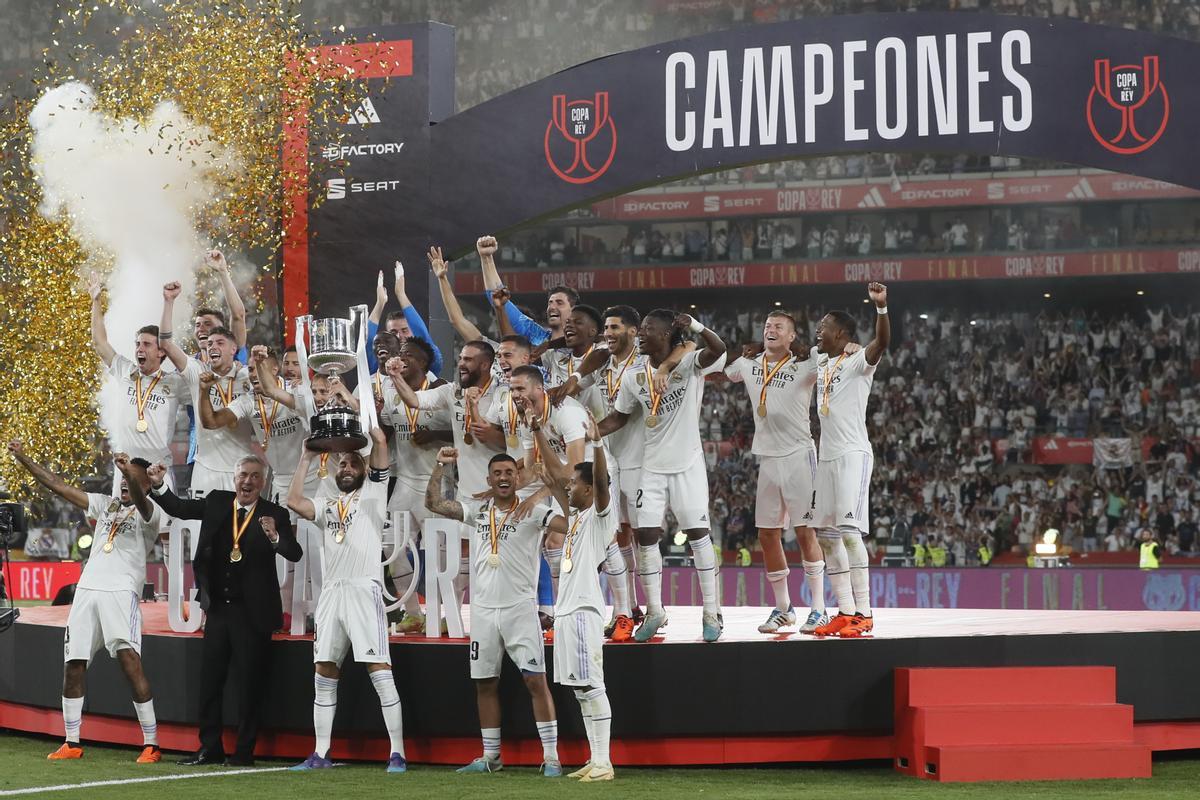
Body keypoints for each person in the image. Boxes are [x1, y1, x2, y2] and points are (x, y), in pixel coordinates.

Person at [8, 443, 163, 763]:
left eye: (132, 478)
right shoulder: (104, 505)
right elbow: (59, 485)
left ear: (147, 483)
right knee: (73, 664)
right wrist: (24, 458)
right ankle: (72, 741)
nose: (124, 481)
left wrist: (129, 474)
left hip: (121, 592)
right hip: (87, 590)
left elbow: (137, 495)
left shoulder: (151, 512)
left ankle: (151, 743)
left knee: (129, 661)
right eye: (121, 477)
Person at [141, 455, 300, 765]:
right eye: (243, 475)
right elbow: (180, 509)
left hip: (253, 615)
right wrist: (158, 485)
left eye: (255, 476)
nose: (248, 481)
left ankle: (244, 752)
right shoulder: (217, 502)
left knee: (250, 686)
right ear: (234, 478)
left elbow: (294, 552)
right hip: (218, 611)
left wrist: (275, 536)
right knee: (210, 683)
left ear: (263, 482)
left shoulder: (274, 513)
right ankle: (210, 748)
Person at [425, 450, 562, 777]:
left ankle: (552, 757)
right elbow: (433, 503)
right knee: (484, 683)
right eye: (497, 473)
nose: (502, 478)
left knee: (535, 681)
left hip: (519, 610)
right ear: (489, 480)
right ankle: (491, 757)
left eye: (508, 473)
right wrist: (440, 465)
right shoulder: (477, 510)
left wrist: (543, 489)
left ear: (517, 478)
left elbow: (567, 521)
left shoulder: (534, 512)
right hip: (484, 610)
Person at [597, 310, 728, 642]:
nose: (640, 334)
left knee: (698, 535)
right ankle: (655, 611)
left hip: (687, 464)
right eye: (639, 329)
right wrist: (588, 432)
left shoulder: (688, 364)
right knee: (646, 538)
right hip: (651, 467)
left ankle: (711, 612)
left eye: (647, 330)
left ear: (667, 334)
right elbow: (619, 418)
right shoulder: (634, 376)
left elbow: (719, 349)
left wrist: (696, 326)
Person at [286, 426, 407, 772]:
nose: (346, 467)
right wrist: (307, 457)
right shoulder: (327, 504)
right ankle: (321, 753)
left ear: (364, 469)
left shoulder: (375, 493)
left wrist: (368, 431)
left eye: (353, 463)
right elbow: (294, 502)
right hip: (332, 593)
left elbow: (381, 443)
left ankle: (397, 752)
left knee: (379, 670)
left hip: (363, 590)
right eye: (341, 463)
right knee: (324, 671)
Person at [725, 310, 830, 634]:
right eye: (767, 326)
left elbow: (830, 353)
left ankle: (819, 609)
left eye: (778, 327)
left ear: (791, 336)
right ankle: (784, 608)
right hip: (767, 458)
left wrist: (851, 347)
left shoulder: (803, 364)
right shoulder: (749, 363)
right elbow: (724, 369)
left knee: (804, 532)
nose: (770, 330)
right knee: (767, 534)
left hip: (799, 454)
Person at [386, 341, 502, 608]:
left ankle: (496, 611)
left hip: (497, 488)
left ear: (485, 364)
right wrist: (394, 377)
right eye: (460, 358)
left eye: (469, 360)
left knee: (492, 555)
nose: (461, 363)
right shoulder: (452, 392)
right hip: (465, 490)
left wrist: (476, 416)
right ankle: (444, 615)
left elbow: (499, 439)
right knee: (458, 555)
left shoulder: (502, 395)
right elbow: (415, 401)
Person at [537, 414, 617, 782]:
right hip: (567, 612)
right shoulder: (576, 518)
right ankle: (594, 758)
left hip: (584, 610)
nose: (569, 488)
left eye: (575, 484)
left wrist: (597, 444)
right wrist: (537, 430)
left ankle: (604, 762)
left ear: (589, 489)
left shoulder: (601, 515)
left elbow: (601, 480)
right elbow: (555, 478)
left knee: (593, 684)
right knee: (581, 690)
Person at [811, 283, 891, 638]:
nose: (818, 329)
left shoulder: (859, 361)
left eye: (824, 326)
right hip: (826, 457)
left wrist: (882, 309)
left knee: (849, 531)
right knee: (825, 534)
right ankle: (844, 611)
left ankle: (865, 612)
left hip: (852, 455)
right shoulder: (821, 360)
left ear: (841, 333)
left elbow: (881, 344)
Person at [379, 338, 451, 631]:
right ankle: (413, 612)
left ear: (423, 363)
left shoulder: (441, 391)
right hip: (405, 481)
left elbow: (464, 433)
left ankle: (437, 615)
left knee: (437, 554)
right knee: (389, 546)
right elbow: (386, 429)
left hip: (435, 483)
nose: (402, 357)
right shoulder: (390, 389)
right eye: (401, 353)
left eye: (410, 355)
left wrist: (436, 435)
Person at [88, 274, 186, 489]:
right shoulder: (126, 371)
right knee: (122, 523)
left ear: (162, 351)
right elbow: (99, 342)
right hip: (125, 468)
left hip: (157, 470)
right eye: (137, 344)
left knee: (159, 522)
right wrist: (96, 301)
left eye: (146, 344)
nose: (139, 349)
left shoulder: (175, 383)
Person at [160, 281, 254, 494]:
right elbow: (165, 344)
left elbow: (238, 315)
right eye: (198, 325)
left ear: (232, 347)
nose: (202, 330)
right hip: (201, 456)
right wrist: (168, 302)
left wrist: (222, 271)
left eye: (209, 325)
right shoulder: (193, 367)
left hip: (239, 461)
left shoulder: (242, 367)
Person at [199, 346, 309, 502]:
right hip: (281, 481)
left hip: (311, 476)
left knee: (311, 526)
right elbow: (211, 422)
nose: (254, 374)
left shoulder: (295, 390)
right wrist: (203, 391)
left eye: (260, 367)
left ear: (275, 370)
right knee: (284, 527)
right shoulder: (248, 400)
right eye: (250, 369)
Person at [478, 234, 577, 346]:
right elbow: (498, 297)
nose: (552, 307)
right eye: (550, 303)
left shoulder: (587, 346)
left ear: (573, 311)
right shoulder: (537, 336)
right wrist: (487, 258)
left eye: (559, 303)